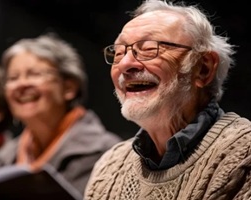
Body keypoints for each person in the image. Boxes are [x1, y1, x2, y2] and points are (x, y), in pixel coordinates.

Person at [84, 0, 251, 199]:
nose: (125, 64)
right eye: (119, 53)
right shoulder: (109, 167)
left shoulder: (243, 153)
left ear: (203, 68)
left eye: (148, 49)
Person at [0, 33, 121, 196]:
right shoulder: (5, 156)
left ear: (69, 88)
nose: (21, 84)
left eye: (35, 74)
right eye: (13, 78)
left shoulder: (107, 153)